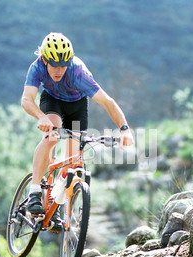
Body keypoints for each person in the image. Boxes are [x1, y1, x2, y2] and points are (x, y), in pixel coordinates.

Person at [21, 32, 134, 232]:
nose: (59, 70)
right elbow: (27, 100)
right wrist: (41, 117)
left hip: (77, 106)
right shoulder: (37, 67)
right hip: (52, 101)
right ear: (45, 59)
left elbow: (107, 102)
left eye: (63, 65)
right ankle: (35, 191)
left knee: (73, 162)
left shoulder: (78, 73)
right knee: (52, 137)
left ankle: (56, 205)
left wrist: (124, 128)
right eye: (54, 65)